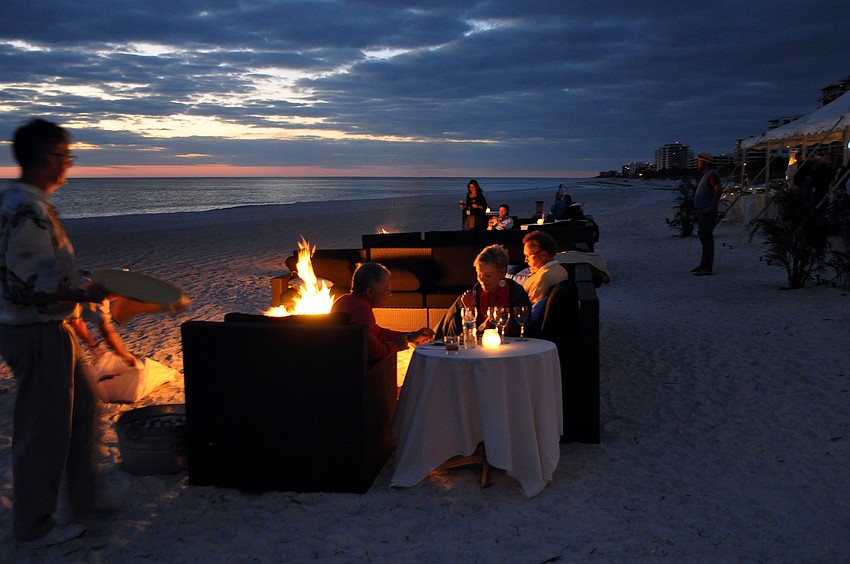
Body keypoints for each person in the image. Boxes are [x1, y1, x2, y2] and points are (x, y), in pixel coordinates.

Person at [0, 118, 111, 547]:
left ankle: (85, 503)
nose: (68, 164)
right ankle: (34, 526)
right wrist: (85, 292)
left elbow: (32, 270)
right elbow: (30, 290)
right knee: (42, 433)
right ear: (47, 159)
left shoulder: (19, 201)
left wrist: (78, 283)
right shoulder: (26, 210)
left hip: (46, 328)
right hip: (38, 332)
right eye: (66, 156)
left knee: (82, 413)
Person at [330, 262, 434, 361]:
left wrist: (411, 336)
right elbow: (374, 352)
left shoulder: (344, 300)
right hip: (355, 370)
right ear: (370, 291)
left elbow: (377, 333)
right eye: (386, 289)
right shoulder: (361, 309)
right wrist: (396, 345)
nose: (389, 294)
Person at [434, 245, 531, 338]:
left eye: (488, 275)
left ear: (502, 273)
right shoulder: (476, 293)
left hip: (509, 345)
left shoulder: (516, 294)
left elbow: (522, 328)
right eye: (479, 274)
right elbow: (464, 332)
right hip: (477, 346)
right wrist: (469, 310)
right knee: (459, 308)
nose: (482, 280)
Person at [511, 231, 568, 322]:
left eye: (528, 256)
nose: (525, 260)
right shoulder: (560, 270)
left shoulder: (542, 279)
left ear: (543, 255)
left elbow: (527, 313)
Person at [691, 152, 723, 276]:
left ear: (705, 163)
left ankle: (707, 268)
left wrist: (710, 207)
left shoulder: (712, 175)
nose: (698, 164)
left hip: (707, 212)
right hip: (703, 211)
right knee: (704, 238)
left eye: (699, 162)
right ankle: (703, 265)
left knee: (707, 239)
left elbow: (718, 190)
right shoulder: (706, 175)